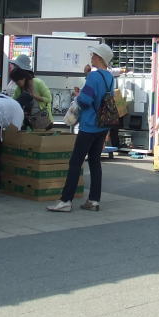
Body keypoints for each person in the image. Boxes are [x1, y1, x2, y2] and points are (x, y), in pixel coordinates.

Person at [47, 43, 116, 213]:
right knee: (95, 162)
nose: (91, 57)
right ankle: (93, 200)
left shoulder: (93, 77)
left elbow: (85, 100)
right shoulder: (110, 77)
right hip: (102, 125)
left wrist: (78, 95)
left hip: (89, 125)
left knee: (75, 162)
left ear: (99, 58)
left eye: (93, 55)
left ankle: (65, 200)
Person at [11, 55, 52, 122]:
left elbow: (49, 99)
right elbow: (14, 101)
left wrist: (35, 96)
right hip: (27, 120)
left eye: (17, 67)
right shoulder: (19, 87)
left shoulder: (38, 82)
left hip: (42, 120)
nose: (15, 68)